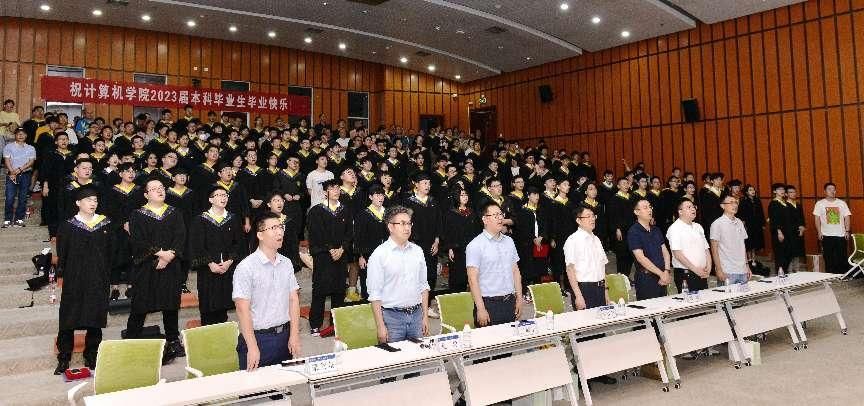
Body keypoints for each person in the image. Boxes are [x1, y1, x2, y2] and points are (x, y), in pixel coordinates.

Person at [126, 179, 187, 364]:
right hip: (146, 266)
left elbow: (180, 236)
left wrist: (170, 255)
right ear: (146, 195)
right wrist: (160, 254)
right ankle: (131, 342)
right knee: (140, 305)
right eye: (154, 189)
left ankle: (173, 339)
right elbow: (137, 240)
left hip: (171, 265)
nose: (160, 191)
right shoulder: (137, 215)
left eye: (161, 188)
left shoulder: (174, 212)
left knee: (170, 304)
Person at [54, 187, 113, 374]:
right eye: (88, 200)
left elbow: (112, 251)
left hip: (98, 277)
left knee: (95, 317)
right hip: (75, 278)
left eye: (95, 200)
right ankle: (64, 357)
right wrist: (63, 273)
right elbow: (62, 252)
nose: (93, 203)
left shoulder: (105, 224)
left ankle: (92, 355)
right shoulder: (68, 226)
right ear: (78, 203)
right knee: (68, 318)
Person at [233, 212, 301, 371]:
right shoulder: (246, 267)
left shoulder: (286, 263)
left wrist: (294, 335)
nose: (279, 232)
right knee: (256, 386)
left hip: (285, 337)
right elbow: (242, 309)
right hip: (259, 338)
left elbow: (293, 300)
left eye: (281, 227)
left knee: (284, 385)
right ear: (260, 235)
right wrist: (252, 346)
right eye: (273, 228)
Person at [367, 205, 430, 343]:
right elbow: (375, 294)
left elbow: (423, 286)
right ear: (390, 227)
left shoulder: (418, 251)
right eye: (402, 223)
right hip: (392, 318)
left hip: (416, 316)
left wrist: (425, 316)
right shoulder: (379, 255)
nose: (407, 228)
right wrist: (380, 326)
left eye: (409, 223)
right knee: (394, 356)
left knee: (418, 355)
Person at [189, 186, 246, 325]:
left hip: (227, 268)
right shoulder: (201, 219)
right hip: (208, 269)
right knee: (208, 306)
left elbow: (239, 243)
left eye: (225, 195)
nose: (223, 197)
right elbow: (197, 245)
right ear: (211, 200)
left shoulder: (233, 218)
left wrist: (229, 261)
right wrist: (210, 263)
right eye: (219, 195)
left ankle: (223, 330)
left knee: (224, 304)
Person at [466, 202, 523, 327]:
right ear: (485, 219)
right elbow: (472, 279)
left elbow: (515, 271)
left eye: (501, 214)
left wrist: (519, 298)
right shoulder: (475, 245)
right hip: (489, 304)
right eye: (495, 215)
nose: (500, 218)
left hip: (510, 301)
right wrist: (481, 308)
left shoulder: (509, 241)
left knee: (511, 338)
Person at [306, 179, 350, 336]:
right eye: (332, 188)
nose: (336, 190)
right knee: (320, 290)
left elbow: (349, 233)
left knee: (339, 290)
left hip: (341, 255)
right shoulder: (316, 211)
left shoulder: (345, 209)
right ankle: (315, 324)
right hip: (323, 256)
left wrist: (342, 248)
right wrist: (330, 249)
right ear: (325, 192)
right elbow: (316, 233)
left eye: (338, 188)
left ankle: (335, 323)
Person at [401, 172, 443, 318]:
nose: (428, 185)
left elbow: (439, 222)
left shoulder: (433, 201)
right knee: (414, 274)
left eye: (429, 183)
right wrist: (409, 241)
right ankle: (413, 305)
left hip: (431, 244)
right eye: (424, 183)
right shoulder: (408, 202)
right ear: (416, 185)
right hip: (414, 244)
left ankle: (428, 305)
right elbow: (405, 223)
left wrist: (437, 240)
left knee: (430, 274)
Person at [628, 198, 672, 300]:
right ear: (636, 212)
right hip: (646, 278)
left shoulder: (656, 229)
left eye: (650, 207)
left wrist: (666, 271)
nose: (649, 210)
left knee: (664, 306)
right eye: (645, 207)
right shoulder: (634, 232)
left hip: (662, 276)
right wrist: (661, 274)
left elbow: (665, 252)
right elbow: (641, 258)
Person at [666, 199, 711, 292]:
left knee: (705, 299)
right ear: (680, 211)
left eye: (693, 207)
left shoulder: (698, 226)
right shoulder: (675, 228)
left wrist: (709, 266)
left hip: (702, 273)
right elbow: (678, 255)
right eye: (689, 207)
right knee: (691, 300)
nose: (693, 209)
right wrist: (696, 270)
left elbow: (706, 249)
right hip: (686, 274)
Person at [443, 188, 483, 293]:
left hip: (471, 248)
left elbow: (477, 231)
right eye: (462, 195)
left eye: (466, 195)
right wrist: (450, 248)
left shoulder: (472, 212)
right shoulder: (451, 213)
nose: (465, 197)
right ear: (456, 197)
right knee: (458, 276)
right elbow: (448, 232)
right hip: (457, 249)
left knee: (472, 275)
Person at [353, 185, 389, 300]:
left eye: (382, 195)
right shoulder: (363, 215)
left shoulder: (388, 214)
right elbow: (358, 237)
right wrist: (361, 256)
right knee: (369, 284)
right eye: (377, 195)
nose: (380, 198)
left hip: (387, 255)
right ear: (370, 197)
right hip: (369, 255)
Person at [710, 195, 752, 284]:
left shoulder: (739, 222)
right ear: (722, 206)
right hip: (727, 271)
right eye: (731, 203)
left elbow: (742, 246)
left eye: (736, 202)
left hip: (742, 270)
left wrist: (747, 266)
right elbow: (714, 249)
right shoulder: (717, 224)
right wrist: (718, 269)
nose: (735, 205)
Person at [813, 182, 852, 274]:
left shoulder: (842, 203)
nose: (832, 191)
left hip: (841, 235)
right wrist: (819, 232)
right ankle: (830, 275)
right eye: (829, 189)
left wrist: (847, 231)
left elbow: (847, 217)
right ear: (825, 191)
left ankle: (842, 275)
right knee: (828, 257)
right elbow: (817, 219)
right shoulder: (820, 204)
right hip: (826, 235)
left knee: (841, 257)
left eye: (833, 189)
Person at [3, 128, 35, 227]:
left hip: (25, 174)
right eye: (18, 134)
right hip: (11, 175)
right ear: (15, 135)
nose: (21, 135)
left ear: (26, 136)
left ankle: (19, 219)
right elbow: (7, 160)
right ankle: (7, 220)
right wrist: (12, 172)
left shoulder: (31, 148)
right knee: (9, 197)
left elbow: (31, 162)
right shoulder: (8, 146)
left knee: (23, 198)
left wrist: (20, 169)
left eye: (23, 134)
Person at [608, 177, 636, 275]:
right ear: (618, 186)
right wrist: (617, 228)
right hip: (621, 231)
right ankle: (621, 276)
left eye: (627, 183)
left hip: (631, 229)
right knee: (622, 254)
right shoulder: (614, 199)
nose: (626, 185)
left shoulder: (631, 197)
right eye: (623, 183)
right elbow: (612, 216)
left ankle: (626, 276)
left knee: (630, 254)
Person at [738, 184, 766, 265]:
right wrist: (743, 223)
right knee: (748, 242)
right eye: (750, 190)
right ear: (746, 192)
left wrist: (763, 223)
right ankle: (749, 259)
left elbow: (761, 213)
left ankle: (754, 259)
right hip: (748, 224)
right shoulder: (743, 201)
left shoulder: (757, 200)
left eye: (753, 190)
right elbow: (741, 213)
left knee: (755, 242)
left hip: (756, 224)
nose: (753, 191)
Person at [768, 183, 792, 273]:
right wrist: (779, 232)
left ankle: (784, 272)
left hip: (787, 231)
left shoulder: (785, 203)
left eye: (783, 189)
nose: (782, 191)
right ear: (774, 191)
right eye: (779, 189)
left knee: (788, 253)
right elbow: (774, 219)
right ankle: (780, 274)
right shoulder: (773, 203)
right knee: (780, 254)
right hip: (779, 232)